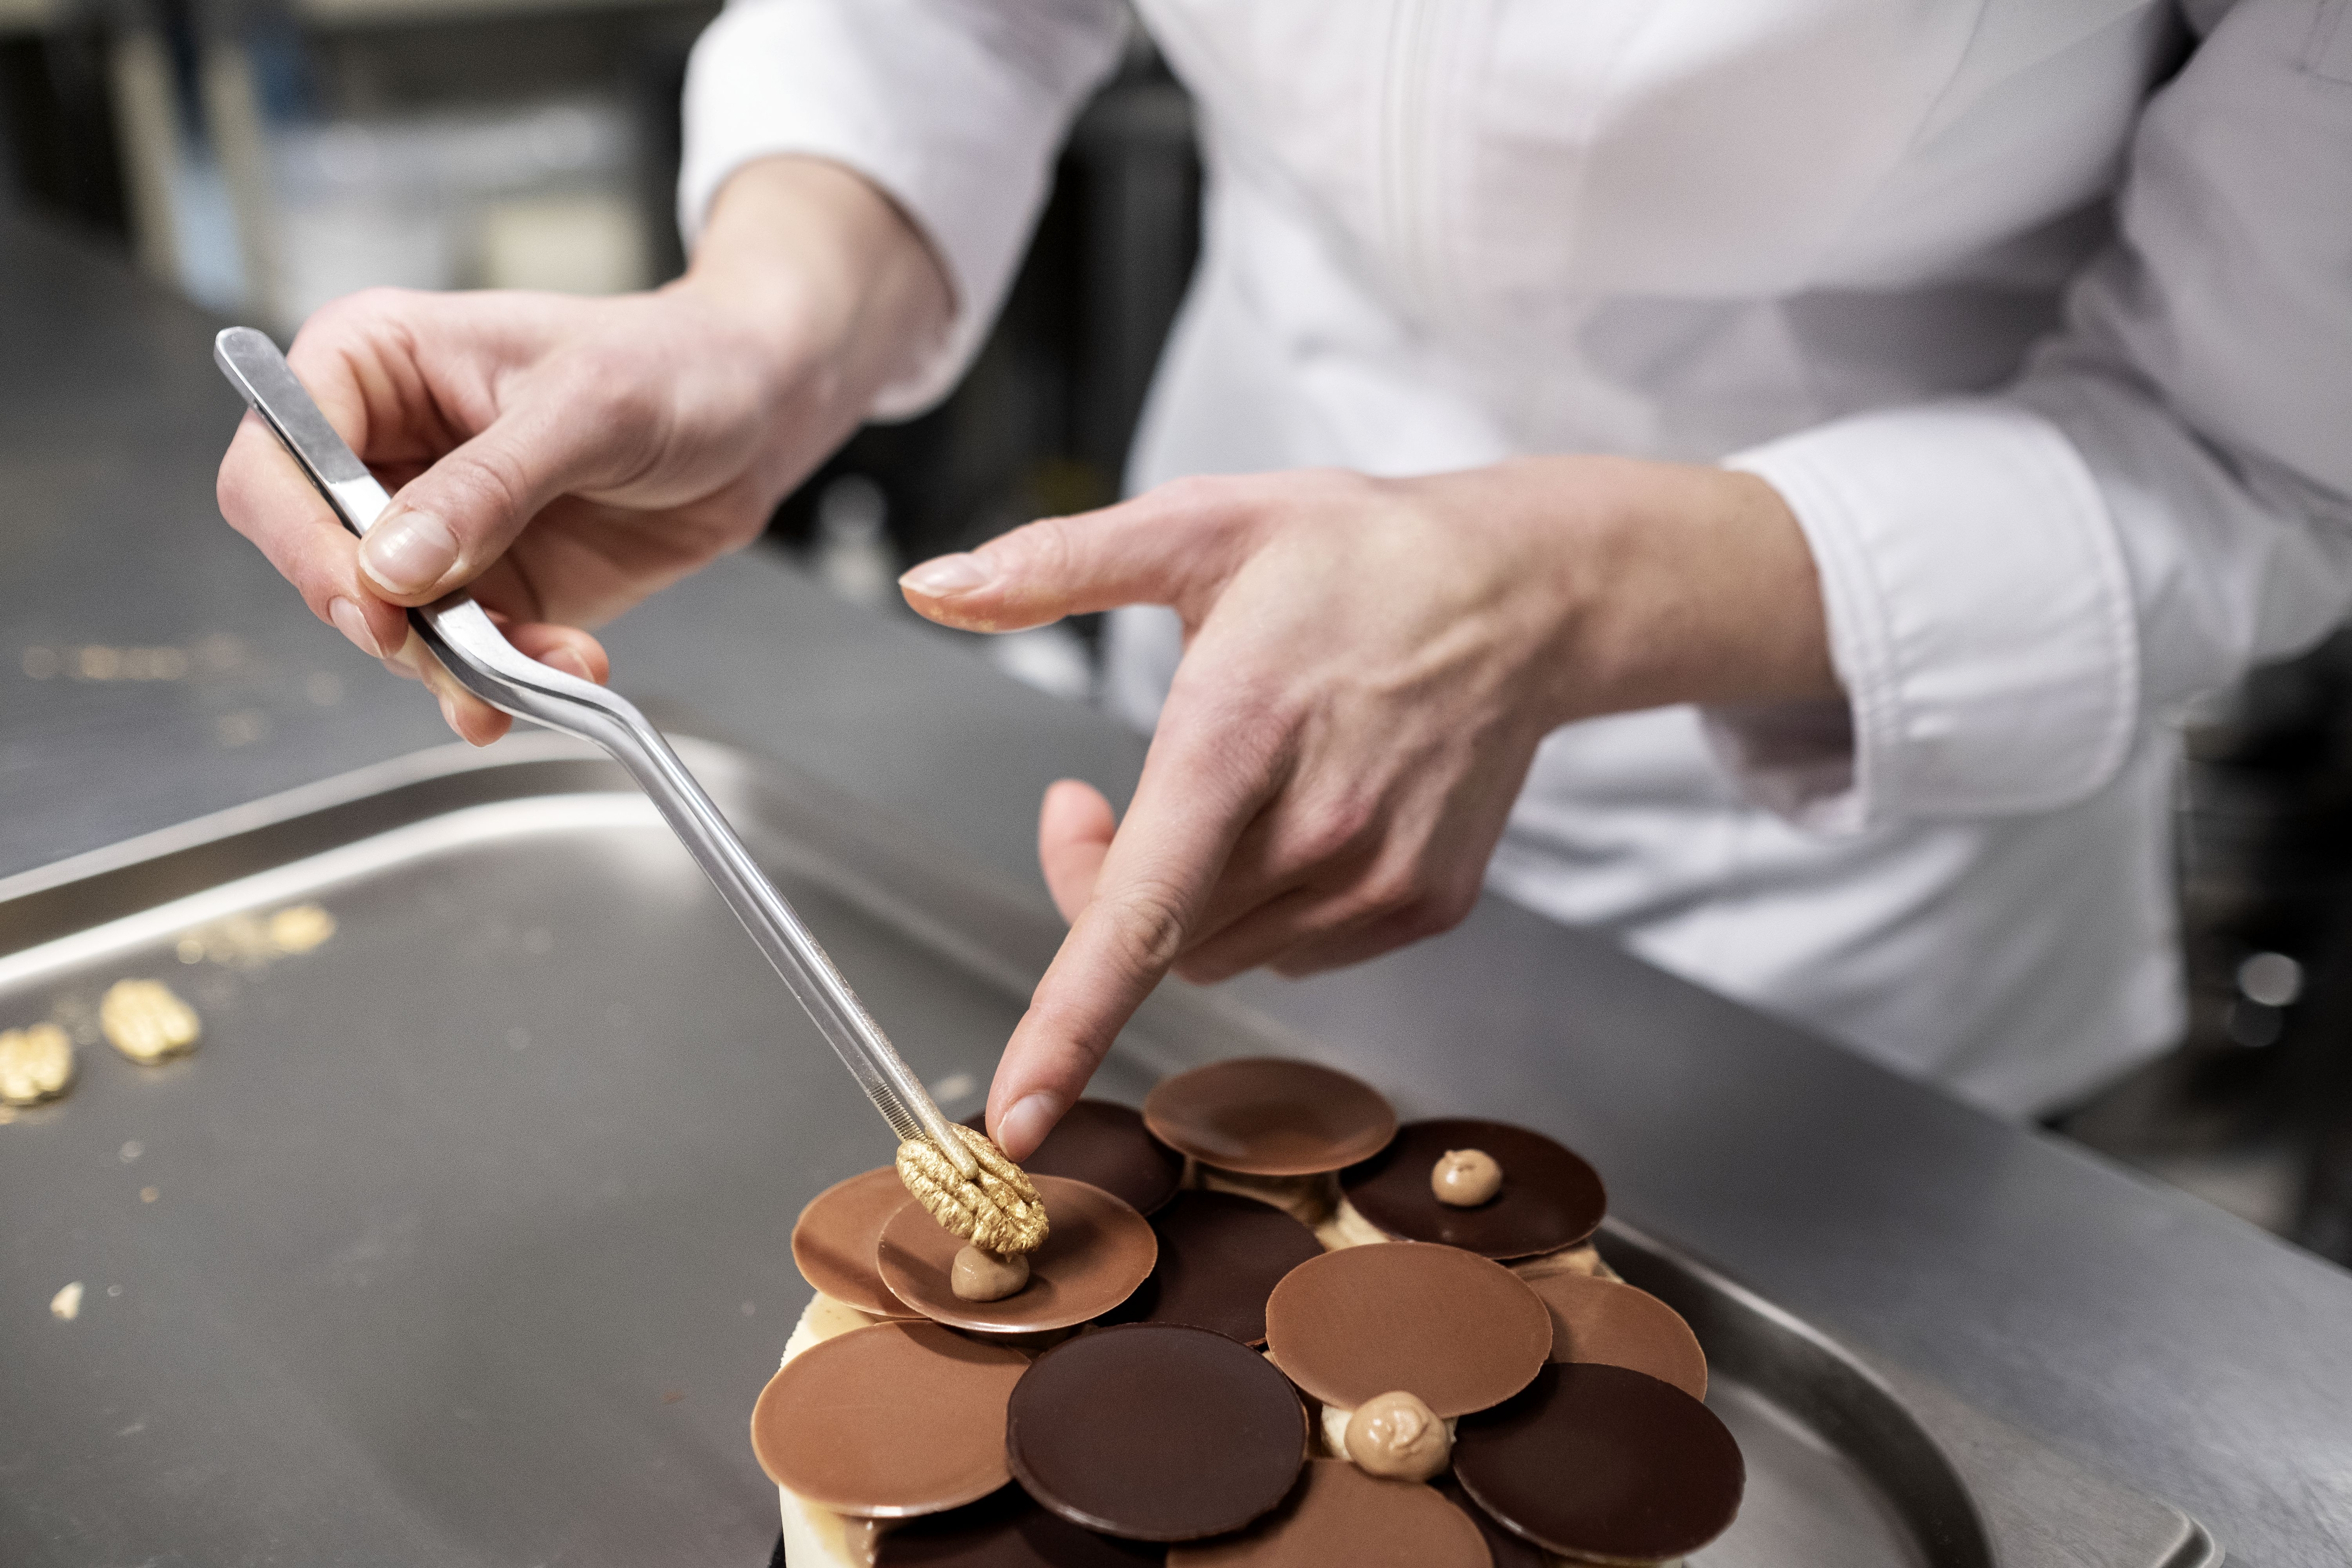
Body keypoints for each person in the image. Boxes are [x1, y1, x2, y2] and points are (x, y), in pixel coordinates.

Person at [216, 0, 2352, 1162]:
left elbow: (2267, 445)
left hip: (1851, 869)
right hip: (1219, 694)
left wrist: (1561, 594)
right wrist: (764, 322)